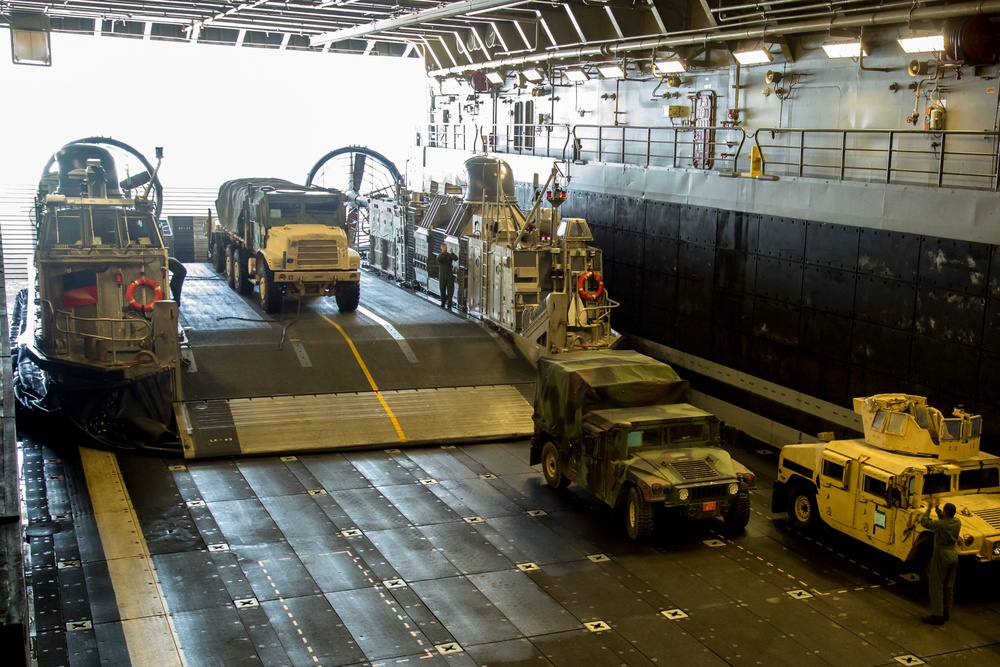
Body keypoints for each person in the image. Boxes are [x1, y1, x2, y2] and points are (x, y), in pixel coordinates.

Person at [919, 497, 961, 625]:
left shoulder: (940, 525)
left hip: (941, 555)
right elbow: (944, 519)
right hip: (953, 554)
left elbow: (924, 522)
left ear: (946, 512)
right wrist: (938, 510)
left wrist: (929, 508)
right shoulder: (957, 522)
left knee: (936, 585)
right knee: (948, 586)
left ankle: (937, 614)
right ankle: (946, 612)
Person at [436, 243, 457, 309]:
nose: (446, 248)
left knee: (450, 289)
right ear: (441, 248)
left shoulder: (449, 255)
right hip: (442, 275)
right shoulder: (440, 255)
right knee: (442, 288)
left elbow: (456, 258)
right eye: (444, 247)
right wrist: (443, 253)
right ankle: (443, 302)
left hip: (449, 274)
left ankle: (449, 303)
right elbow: (438, 259)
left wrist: (452, 253)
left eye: (446, 247)